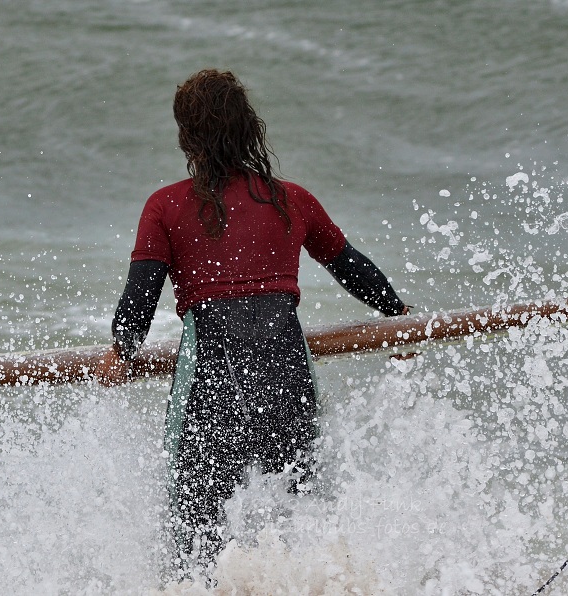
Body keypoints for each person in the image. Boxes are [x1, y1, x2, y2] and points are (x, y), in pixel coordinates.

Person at [95, 69, 408, 576]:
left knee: (195, 543)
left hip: (213, 387)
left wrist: (122, 353)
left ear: (187, 138)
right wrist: (397, 316)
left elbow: (138, 305)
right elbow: (352, 267)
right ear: (250, 131)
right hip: (288, 378)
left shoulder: (166, 207)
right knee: (298, 525)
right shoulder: (291, 200)